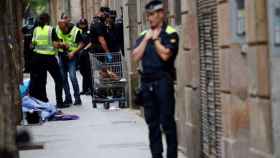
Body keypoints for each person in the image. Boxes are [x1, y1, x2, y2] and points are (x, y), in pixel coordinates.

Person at [132, 1, 179, 158]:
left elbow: (166, 55)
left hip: (163, 81)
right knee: (152, 124)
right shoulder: (142, 35)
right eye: (147, 15)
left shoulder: (170, 33)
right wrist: (146, 39)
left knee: (167, 122)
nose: (149, 18)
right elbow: (135, 57)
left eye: (152, 14)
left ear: (161, 14)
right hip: (147, 84)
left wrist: (156, 40)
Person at [29, 13, 68, 108]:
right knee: (58, 80)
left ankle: (44, 102)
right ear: (47, 20)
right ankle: (59, 102)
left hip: (38, 58)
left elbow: (32, 44)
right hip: (50, 58)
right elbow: (55, 45)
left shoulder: (35, 30)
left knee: (42, 81)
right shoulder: (51, 29)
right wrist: (63, 45)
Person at [57, 15, 85, 105]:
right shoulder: (58, 29)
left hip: (72, 57)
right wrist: (61, 45)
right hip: (62, 56)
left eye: (63, 29)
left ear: (67, 25)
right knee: (63, 78)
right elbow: (55, 41)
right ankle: (68, 98)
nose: (62, 31)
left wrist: (73, 52)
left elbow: (81, 44)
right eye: (60, 29)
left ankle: (77, 98)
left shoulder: (75, 31)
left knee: (73, 77)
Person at [77, 18, 92, 95]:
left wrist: (85, 49)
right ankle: (84, 88)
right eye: (81, 24)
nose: (82, 26)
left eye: (84, 24)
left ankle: (89, 88)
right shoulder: (79, 32)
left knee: (88, 72)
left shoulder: (89, 32)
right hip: (81, 55)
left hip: (87, 54)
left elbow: (91, 42)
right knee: (82, 71)